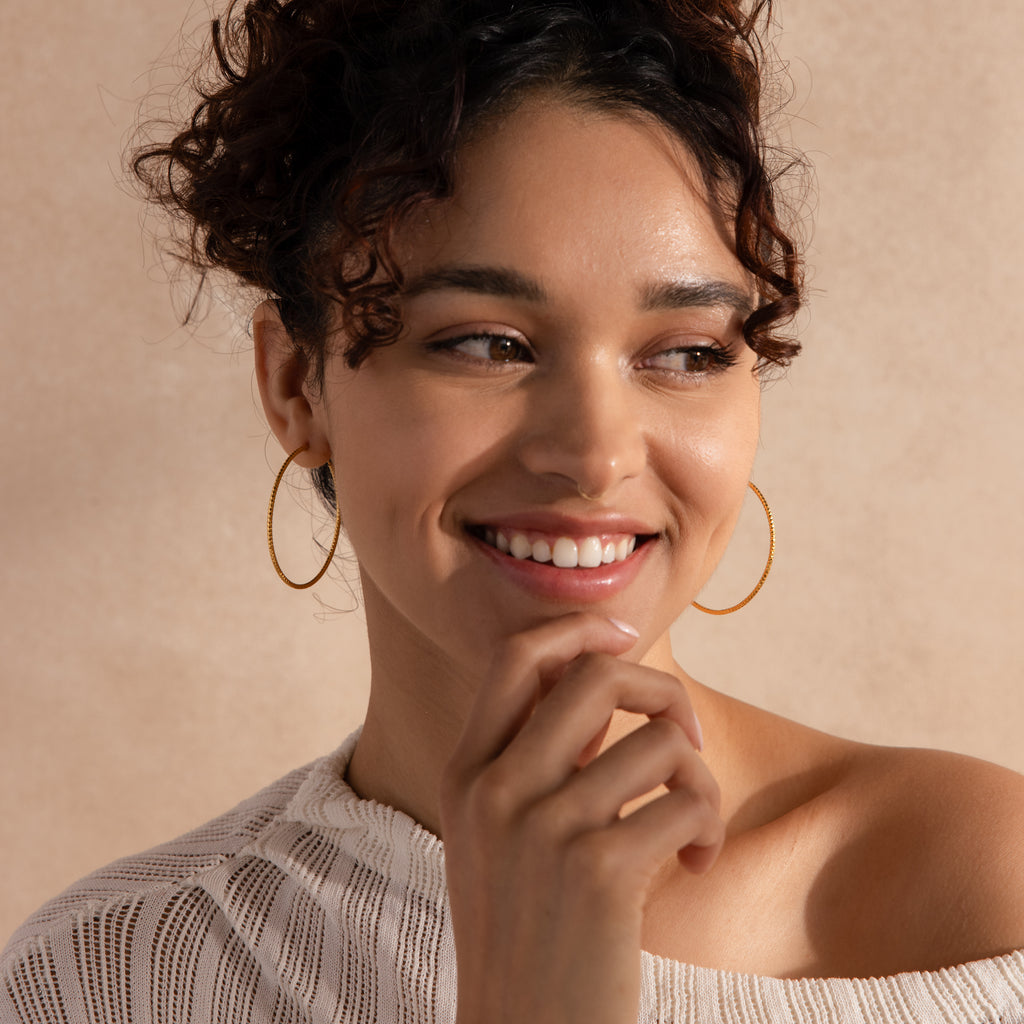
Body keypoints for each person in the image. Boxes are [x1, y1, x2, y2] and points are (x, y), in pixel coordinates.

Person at [3, 0, 1024, 1021]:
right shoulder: (118, 975)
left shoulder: (989, 896)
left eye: (684, 352)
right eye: (485, 342)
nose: (594, 456)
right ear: (294, 385)